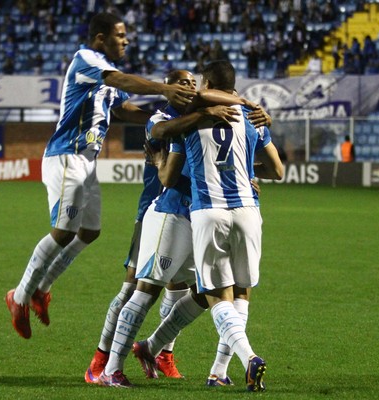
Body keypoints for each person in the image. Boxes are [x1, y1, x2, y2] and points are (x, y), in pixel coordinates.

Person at [4, 13, 195, 340]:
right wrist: (165, 89)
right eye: (120, 35)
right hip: (66, 155)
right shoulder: (88, 59)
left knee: (89, 231)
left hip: (86, 161)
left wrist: (164, 118)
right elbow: (120, 82)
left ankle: (42, 289)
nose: (126, 41)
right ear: (100, 38)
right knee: (64, 230)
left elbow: (121, 109)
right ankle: (19, 296)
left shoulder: (106, 72)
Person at [96, 69, 272, 388]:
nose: (190, 87)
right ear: (169, 89)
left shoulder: (211, 114)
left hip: (205, 217)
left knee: (207, 294)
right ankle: (111, 368)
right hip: (172, 214)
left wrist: (243, 174)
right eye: (183, 83)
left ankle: (152, 348)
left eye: (194, 83)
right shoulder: (168, 117)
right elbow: (166, 173)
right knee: (145, 291)